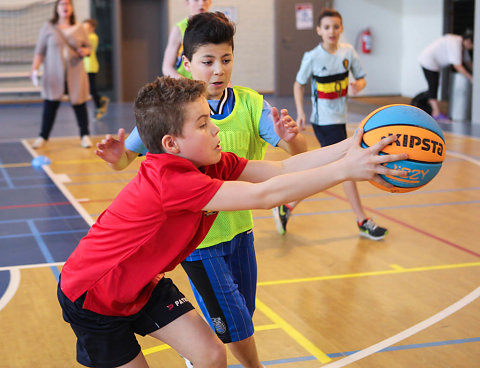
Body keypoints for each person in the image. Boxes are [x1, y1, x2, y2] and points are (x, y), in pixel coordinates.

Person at [59, 75, 407, 368]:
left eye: (210, 118)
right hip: (94, 296)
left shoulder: (208, 160)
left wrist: (353, 143)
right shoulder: (170, 180)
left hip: (141, 282)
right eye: (203, 124)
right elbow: (264, 196)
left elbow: (280, 169)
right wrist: (346, 170)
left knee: (211, 355)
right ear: (171, 144)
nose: (214, 129)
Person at [95, 12, 307, 368]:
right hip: (199, 244)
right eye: (207, 61)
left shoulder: (254, 105)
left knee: (241, 316)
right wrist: (117, 157)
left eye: (226, 60)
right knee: (235, 326)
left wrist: (291, 138)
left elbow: (296, 157)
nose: (218, 70)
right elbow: (125, 159)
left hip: (240, 231)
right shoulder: (172, 112)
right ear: (187, 62)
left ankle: (199, 356)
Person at [293, 8, 388, 241]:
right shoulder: (312, 56)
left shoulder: (348, 52)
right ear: (319, 30)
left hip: (340, 119)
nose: (331, 31)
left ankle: (286, 205)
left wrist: (359, 86)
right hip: (323, 122)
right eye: (326, 27)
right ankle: (362, 220)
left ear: (341, 29)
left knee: (323, 170)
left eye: (336, 26)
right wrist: (300, 112)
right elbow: (298, 84)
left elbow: (361, 77)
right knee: (348, 170)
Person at [30, 0, 92, 149]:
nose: (65, 7)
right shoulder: (48, 28)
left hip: (75, 73)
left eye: (68, 4)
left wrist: (85, 51)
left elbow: (88, 47)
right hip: (53, 74)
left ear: (71, 8)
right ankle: (43, 137)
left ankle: (85, 135)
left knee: (80, 105)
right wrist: (34, 68)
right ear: (56, 8)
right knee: (50, 105)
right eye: (62, 4)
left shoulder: (79, 28)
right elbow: (40, 51)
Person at [418, 30, 474, 121]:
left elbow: (468, 63)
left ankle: (420, 102)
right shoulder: (455, 43)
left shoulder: (462, 46)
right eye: (472, 46)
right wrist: (471, 78)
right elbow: (457, 66)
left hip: (433, 63)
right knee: (433, 86)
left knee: (433, 87)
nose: (471, 48)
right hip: (427, 61)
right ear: (468, 41)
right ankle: (435, 113)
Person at [162, 0, 212, 78]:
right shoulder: (179, 29)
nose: (201, 3)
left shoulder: (215, 28)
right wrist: (185, 83)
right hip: (185, 86)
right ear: (187, 2)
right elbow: (167, 67)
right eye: (196, 0)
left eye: (205, 0)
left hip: (208, 84)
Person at [82, 18, 110, 121]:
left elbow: (86, 47)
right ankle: (100, 101)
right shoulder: (86, 36)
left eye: (87, 27)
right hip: (85, 67)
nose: (85, 30)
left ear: (92, 28)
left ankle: (100, 105)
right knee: (90, 89)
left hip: (91, 66)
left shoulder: (93, 37)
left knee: (92, 89)